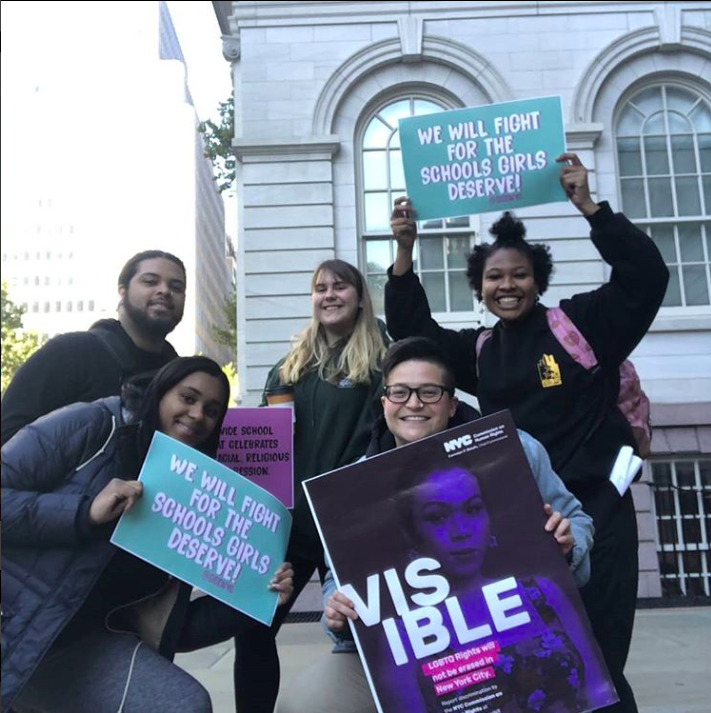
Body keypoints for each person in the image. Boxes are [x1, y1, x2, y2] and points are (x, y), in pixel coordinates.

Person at [384, 154, 670, 712]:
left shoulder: (583, 325)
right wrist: (404, 251)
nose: (507, 285)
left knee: (602, 664)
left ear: (538, 280)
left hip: (599, 517)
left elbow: (646, 277)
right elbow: (413, 331)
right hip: (522, 526)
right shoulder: (480, 351)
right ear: (479, 287)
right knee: (541, 661)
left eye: (518, 274)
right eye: (494, 277)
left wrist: (590, 207)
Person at [277, 337, 605, 713]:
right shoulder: (353, 485)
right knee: (306, 704)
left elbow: (578, 521)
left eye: (429, 392)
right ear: (384, 403)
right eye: (400, 392)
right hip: (404, 653)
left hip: (512, 635)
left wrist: (568, 544)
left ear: (452, 404)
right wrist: (336, 611)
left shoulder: (514, 450)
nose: (414, 404)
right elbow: (339, 576)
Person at [1, 356, 294, 713]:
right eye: (187, 398)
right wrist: (85, 513)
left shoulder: (189, 493)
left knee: (185, 704)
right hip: (15, 626)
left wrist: (257, 600)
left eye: (212, 410)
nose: (198, 414)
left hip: (80, 646)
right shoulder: (96, 424)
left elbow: (175, 628)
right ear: (159, 394)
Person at [232, 259, 388, 712]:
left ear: (360, 296)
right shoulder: (291, 365)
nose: (330, 295)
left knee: (362, 633)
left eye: (340, 286)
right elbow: (264, 445)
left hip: (349, 523)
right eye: (320, 288)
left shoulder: (381, 358)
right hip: (293, 527)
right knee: (254, 626)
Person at [1, 249, 187, 446]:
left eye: (176, 287)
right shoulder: (68, 352)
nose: (165, 291)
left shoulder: (182, 378)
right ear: (122, 292)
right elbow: (7, 436)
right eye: (150, 281)